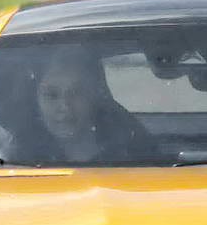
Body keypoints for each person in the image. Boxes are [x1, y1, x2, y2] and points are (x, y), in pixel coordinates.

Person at [14, 46, 161, 164]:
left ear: (94, 96)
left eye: (76, 93)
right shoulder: (14, 160)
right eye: (51, 95)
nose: (64, 106)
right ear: (35, 99)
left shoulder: (135, 153)